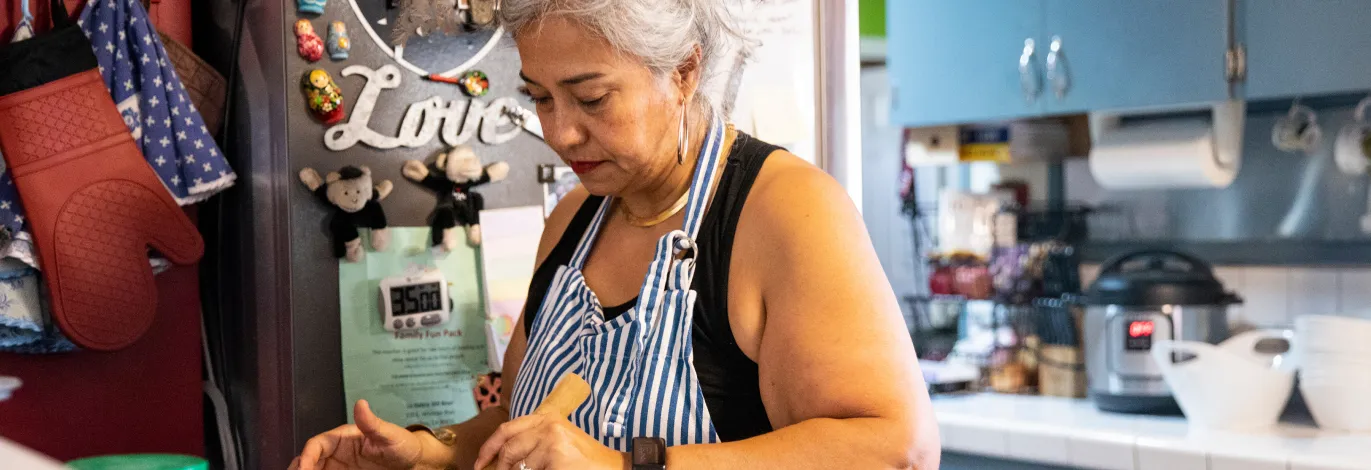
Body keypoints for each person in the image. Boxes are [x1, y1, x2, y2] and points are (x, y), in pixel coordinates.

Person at [291, 0, 938, 468]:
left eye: (592, 98)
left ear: (683, 71)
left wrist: (630, 466)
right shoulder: (577, 216)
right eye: (541, 98)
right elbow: (524, 424)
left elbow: (893, 448)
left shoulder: (784, 211)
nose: (561, 133)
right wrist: (430, 451)